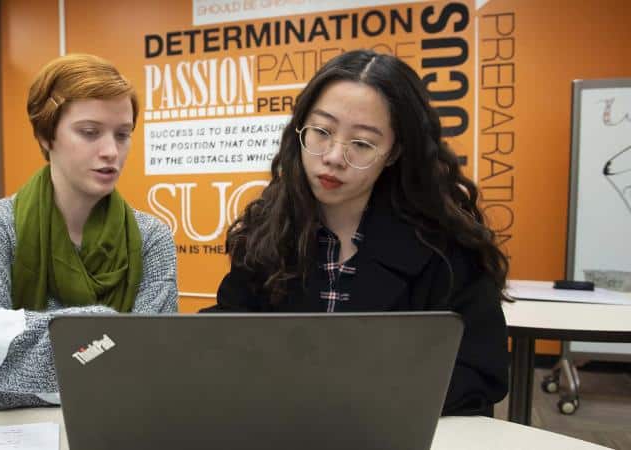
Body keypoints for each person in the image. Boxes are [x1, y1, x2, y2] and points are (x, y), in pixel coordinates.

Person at [203, 49, 509, 417]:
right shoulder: (267, 229)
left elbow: (479, 372)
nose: (333, 156)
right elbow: (231, 330)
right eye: (321, 132)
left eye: (362, 143)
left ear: (394, 151)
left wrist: (359, 400)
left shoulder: (448, 245)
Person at [0, 54, 178, 419]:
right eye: (89, 132)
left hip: (115, 417)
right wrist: (103, 329)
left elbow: (150, 358)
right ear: (47, 135)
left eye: (122, 135)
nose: (111, 151)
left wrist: (19, 346)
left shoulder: (151, 237)